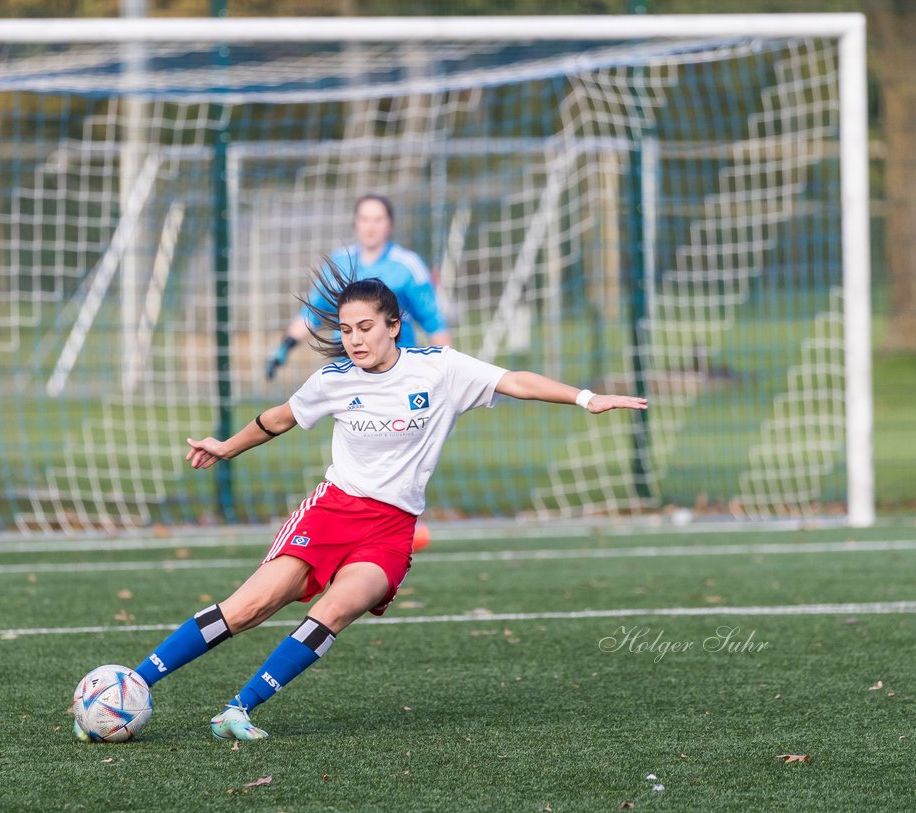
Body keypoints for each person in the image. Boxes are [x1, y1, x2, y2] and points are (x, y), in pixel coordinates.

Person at [120, 263, 647, 742]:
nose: (354, 340)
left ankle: (238, 709)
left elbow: (514, 381)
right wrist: (225, 448)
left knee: (336, 609)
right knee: (249, 608)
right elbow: (278, 418)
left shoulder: (439, 369)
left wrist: (585, 397)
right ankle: (131, 685)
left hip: (390, 530)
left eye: (365, 327)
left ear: (394, 325)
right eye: (346, 330)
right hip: (331, 513)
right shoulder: (334, 379)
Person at [264, 194, 450, 381]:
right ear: (355, 223)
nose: (371, 226)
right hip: (347, 370)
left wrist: (447, 369)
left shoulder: (407, 265)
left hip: (395, 373)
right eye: (365, 219)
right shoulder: (339, 262)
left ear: (390, 225)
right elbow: (312, 313)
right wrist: (284, 348)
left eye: (378, 220)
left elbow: (432, 320)